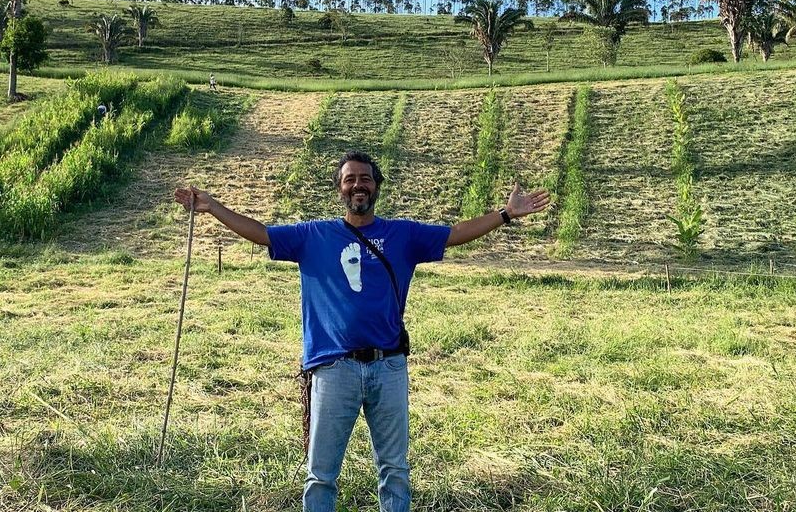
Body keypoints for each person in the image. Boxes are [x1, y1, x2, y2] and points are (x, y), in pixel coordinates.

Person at [173, 150, 550, 512]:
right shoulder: (312, 236)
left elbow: (454, 233)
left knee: (395, 472)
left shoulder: (403, 235)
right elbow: (262, 233)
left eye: (365, 179)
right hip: (334, 369)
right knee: (321, 475)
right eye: (350, 179)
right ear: (339, 188)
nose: (358, 185)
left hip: (388, 368)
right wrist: (213, 207)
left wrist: (505, 214)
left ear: (377, 187)